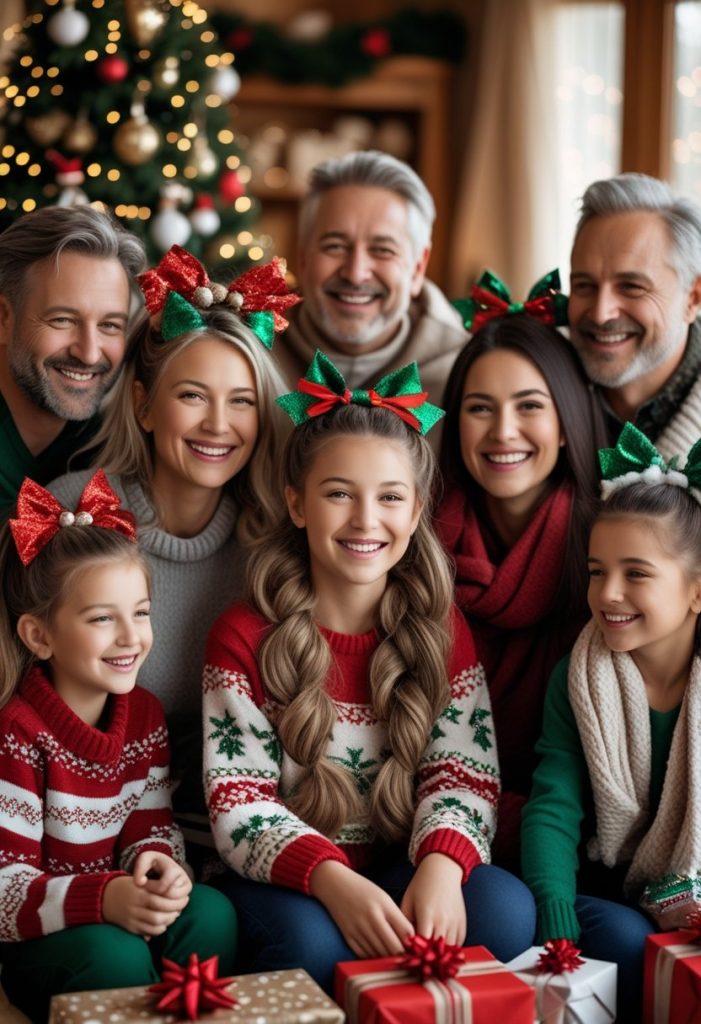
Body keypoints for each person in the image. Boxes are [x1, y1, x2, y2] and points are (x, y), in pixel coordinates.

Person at [203, 351, 536, 994]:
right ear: (297, 504)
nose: (365, 519)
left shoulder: (440, 629)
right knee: (314, 947)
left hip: (395, 863)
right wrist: (330, 880)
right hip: (286, 879)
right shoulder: (242, 636)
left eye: (389, 498)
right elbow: (239, 802)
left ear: (415, 512)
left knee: (503, 910)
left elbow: (465, 770)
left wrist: (441, 863)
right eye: (338, 494)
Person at [49, 246, 294, 873]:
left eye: (241, 401)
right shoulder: (72, 511)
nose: (218, 424)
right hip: (75, 825)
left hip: (227, 827)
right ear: (143, 404)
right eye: (192, 395)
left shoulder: (272, 546)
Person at [0, 472, 237, 1023]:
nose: (131, 637)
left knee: (210, 914)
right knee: (116, 954)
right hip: (41, 940)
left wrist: (158, 865)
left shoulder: (144, 716)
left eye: (141, 612)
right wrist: (104, 898)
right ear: (39, 636)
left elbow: (149, 826)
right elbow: (6, 891)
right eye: (103, 619)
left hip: (119, 905)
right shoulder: (17, 733)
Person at [522, 422, 701, 1024]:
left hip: (693, 884)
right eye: (598, 571)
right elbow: (554, 804)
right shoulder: (580, 676)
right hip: (607, 883)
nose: (608, 593)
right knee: (627, 941)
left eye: (636, 573)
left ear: (697, 592)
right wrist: (554, 915)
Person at [435, 275, 606, 869]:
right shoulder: (415, 547)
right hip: (438, 830)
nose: (503, 431)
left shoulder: (607, 550)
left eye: (529, 406)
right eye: (480, 408)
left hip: (577, 844)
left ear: (566, 422)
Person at [276, 150, 467, 425]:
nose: (355, 274)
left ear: (417, 268)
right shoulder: (250, 356)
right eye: (335, 246)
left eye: (382, 250)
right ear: (303, 258)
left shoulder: (464, 375)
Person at [0, 205, 146, 518]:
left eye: (110, 325)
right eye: (63, 320)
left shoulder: (114, 451)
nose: (89, 353)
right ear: (3, 318)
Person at [568, 172, 701, 458]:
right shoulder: (535, 377)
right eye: (584, 285)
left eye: (631, 287)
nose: (601, 314)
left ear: (693, 298)